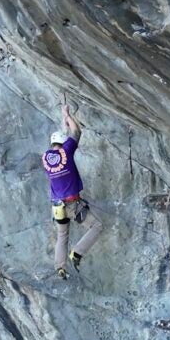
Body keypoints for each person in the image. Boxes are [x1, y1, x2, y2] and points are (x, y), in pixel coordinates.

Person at [42, 104, 104, 279]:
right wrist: (67, 115)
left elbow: (63, 139)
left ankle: (60, 267)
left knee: (63, 235)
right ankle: (76, 253)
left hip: (57, 207)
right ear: (64, 144)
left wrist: (63, 123)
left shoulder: (46, 158)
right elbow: (76, 132)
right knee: (97, 226)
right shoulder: (67, 152)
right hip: (72, 204)